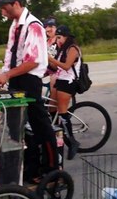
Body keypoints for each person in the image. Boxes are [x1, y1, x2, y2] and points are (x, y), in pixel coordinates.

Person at [0, 0, 58, 181]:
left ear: (16, 4)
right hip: (16, 78)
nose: (2, 12)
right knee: (18, 126)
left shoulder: (34, 26)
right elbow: (11, 53)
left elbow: (32, 61)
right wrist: (5, 75)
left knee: (40, 126)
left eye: (5, 7)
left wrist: (7, 75)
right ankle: (30, 167)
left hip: (30, 80)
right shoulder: (15, 25)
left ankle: (51, 168)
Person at [47, 25, 81, 160]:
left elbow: (66, 66)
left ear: (67, 37)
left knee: (62, 112)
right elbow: (56, 66)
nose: (58, 40)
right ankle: (58, 136)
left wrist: (51, 59)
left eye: (60, 37)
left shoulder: (73, 49)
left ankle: (71, 142)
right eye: (57, 38)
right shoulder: (62, 49)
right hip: (59, 80)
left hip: (69, 82)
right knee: (51, 109)